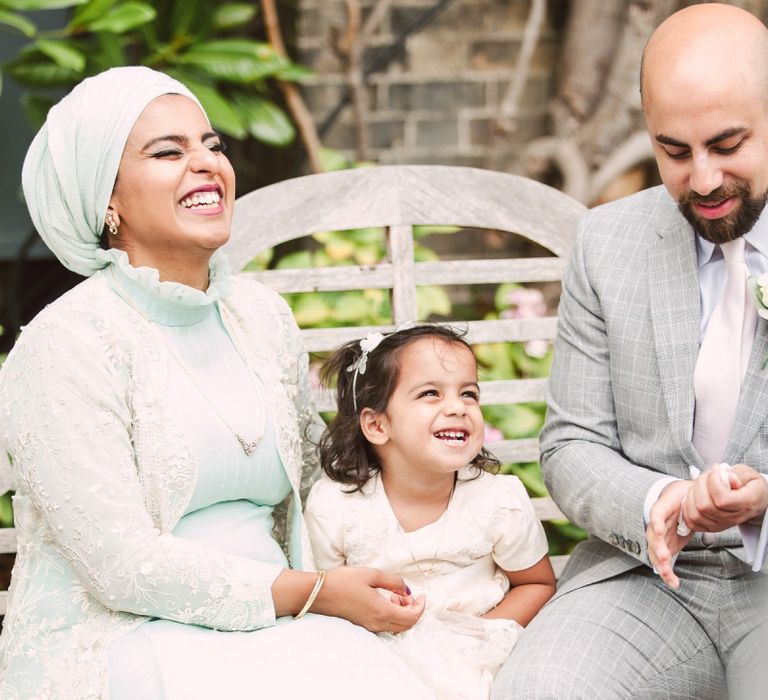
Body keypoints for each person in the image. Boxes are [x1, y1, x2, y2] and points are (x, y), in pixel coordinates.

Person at [0, 66, 435, 699]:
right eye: (168, 151)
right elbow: (121, 568)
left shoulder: (261, 318)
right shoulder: (67, 342)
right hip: (124, 635)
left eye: (212, 145)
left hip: (287, 624)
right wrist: (312, 595)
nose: (206, 163)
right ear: (106, 201)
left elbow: (315, 488)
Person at [493, 4, 768, 699]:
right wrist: (662, 501)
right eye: (674, 151)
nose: (703, 180)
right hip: (646, 582)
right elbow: (570, 443)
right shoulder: (607, 241)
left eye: (727, 144)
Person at [304, 324, 556, 699]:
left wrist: (475, 640)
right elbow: (326, 598)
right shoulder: (336, 508)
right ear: (377, 425)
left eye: (469, 393)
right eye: (430, 393)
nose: (457, 407)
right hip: (374, 655)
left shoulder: (498, 500)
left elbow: (537, 583)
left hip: (480, 651)